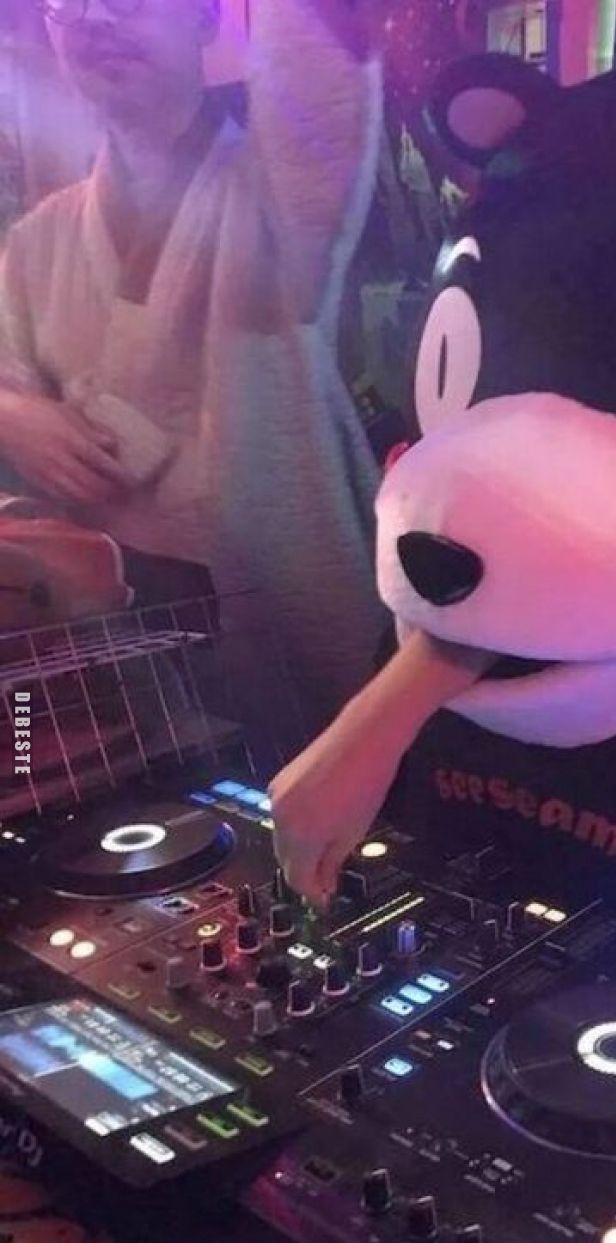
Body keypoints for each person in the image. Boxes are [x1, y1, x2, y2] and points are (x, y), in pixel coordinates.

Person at [0, 0, 389, 743]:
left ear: (208, 19)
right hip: (113, 669)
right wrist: (10, 412)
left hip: (291, 627)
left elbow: (321, 65)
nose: (94, 18)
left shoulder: (284, 197)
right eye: (65, 3)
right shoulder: (36, 241)